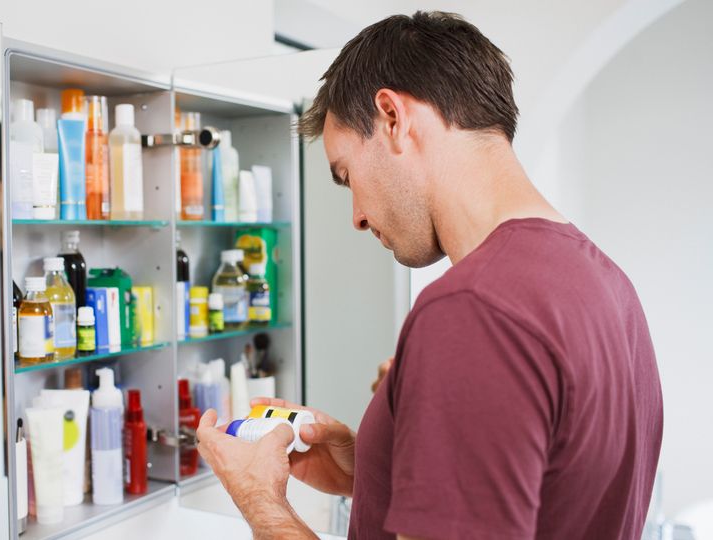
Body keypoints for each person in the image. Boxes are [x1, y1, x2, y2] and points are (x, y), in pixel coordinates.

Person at [196, 11, 662, 540]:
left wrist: (263, 504)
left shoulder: (472, 310)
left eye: (347, 175)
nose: (357, 216)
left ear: (393, 117)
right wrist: (374, 468)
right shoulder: (607, 285)